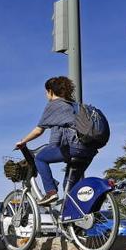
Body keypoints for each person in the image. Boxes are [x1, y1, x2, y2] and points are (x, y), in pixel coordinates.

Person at [15, 76, 97, 206]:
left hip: (75, 147)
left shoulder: (54, 105)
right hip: (90, 149)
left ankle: (51, 192)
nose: (46, 95)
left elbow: (38, 131)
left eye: (46, 92)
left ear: (51, 91)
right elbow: (56, 139)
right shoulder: (74, 106)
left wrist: (22, 141)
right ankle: (72, 221)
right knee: (69, 188)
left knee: (40, 158)